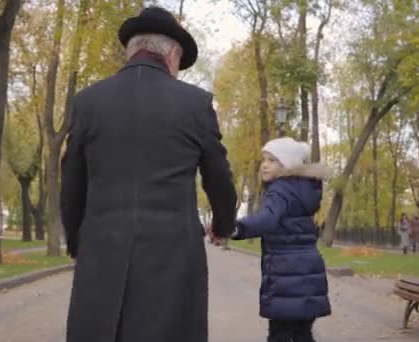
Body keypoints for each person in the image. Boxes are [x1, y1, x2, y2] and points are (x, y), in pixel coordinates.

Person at [60, 6, 237, 342]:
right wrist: (223, 224)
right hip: (173, 258)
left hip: (102, 252)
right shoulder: (195, 103)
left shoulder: (88, 102)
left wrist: (77, 241)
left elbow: (72, 182)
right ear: (172, 53)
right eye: (179, 62)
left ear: (131, 49)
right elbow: (219, 177)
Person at [231, 137, 332, 342]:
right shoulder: (303, 189)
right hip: (308, 271)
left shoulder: (280, 190)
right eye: (264, 159)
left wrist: (237, 228)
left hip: (287, 274)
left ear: (286, 165)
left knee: (280, 335)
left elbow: (267, 220)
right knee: (302, 333)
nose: (265, 165)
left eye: (272, 160)